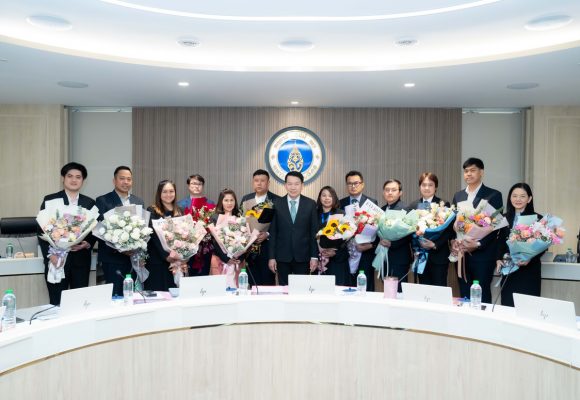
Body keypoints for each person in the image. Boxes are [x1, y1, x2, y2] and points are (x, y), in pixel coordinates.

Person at [38, 162, 96, 305]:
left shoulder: (89, 203)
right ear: (63, 178)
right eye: (70, 176)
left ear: (83, 181)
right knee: (56, 301)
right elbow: (41, 229)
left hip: (80, 260)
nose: (74, 180)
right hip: (56, 260)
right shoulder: (50, 200)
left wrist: (88, 243)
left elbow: (95, 229)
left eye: (78, 177)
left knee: (79, 302)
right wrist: (50, 255)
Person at [452, 157, 503, 303]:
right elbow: (456, 223)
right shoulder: (458, 195)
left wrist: (479, 244)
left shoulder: (493, 195)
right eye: (466, 171)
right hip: (462, 254)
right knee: (464, 291)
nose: (468, 174)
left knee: (482, 292)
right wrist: (456, 241)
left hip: (483, 255)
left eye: (473, 170)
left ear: (481, 172)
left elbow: (495, 227)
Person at [95, 166, 144, 296]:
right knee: (114, 295)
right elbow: (100, 229)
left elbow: (143, 228)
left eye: (129, 179)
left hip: (133, 258)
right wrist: (120, 248)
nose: (126, 182)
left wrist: (137, 251)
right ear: (114, 181)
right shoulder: (103, 200)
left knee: (132, 295)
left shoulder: (138, 201)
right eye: (122, 178)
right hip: (112, 258)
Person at [495, 183, 543, 307]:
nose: (518, 199)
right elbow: (498, 242)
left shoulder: (538, 219)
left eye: (522, 196)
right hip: (509, 270)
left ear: (529, 199)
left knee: (529, 308)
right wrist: (498, 258)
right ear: (510, 198)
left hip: (529, 271)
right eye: (514, 196)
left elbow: (544, 245)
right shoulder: (503, 219)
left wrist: (529, 257)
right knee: (508, 306)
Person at [268, 171, 319, 286]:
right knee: (284, 289)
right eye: (290, 184)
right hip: (282, 257)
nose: (293, 187)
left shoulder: (310, 204)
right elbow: (273, 233)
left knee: (302, 290)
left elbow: (313, 233)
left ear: (302, 185)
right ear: (285, 185)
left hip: (303, 256)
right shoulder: (276, 203)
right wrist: (271, 257)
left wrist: (314, 256)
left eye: (296, 184)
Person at [407, 172, 452, 287]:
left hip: (438, 255)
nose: (426, 188)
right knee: (423, 289)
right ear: (419, 186)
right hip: (420, 255)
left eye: (430, 185)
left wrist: (435, 244)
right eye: (423, 184)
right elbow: (410, 230)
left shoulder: (443, 204)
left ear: (435, 187)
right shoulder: (413, 206)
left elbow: (448, 230)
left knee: (439, 289)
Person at [338, 171, 378, 291]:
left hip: (365, 252)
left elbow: (377, 228)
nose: (353, 186)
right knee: (347, 288)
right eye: (349, 183)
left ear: (362, 184)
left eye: (356, 183)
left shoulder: (371, 203)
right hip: (346, 254)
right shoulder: (340, 203)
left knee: (366, 287)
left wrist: (370, 245)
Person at [240, 169, 280, 286]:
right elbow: (240, 220)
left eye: (262, 181)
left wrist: (267, 234)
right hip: (249, 248)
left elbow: (280, 224)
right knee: (251, 281)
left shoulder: (276, 200)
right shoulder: (246, 199)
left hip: (268, 248)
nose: (259, 183)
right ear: (253, 182)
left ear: (268, 183)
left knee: (268, 281)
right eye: (256, 180)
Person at [145, 180, 182, 292]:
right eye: (164, 191)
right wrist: (166, 256)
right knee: (157, 295)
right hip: (157, 260)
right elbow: (154, 237)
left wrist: (183, 255)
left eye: (171, 191)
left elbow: (184, 236)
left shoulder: (180, 211)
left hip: (176, 262)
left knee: (174, 294)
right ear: (159, 193)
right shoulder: (152, 210)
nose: (168, 194)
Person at [176, 174, 215, 277]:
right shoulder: (181, 204)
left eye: (199, 184)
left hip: (205, 246)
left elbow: (212, 225)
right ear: (188, 186)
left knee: (204, 275)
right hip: (187, 246)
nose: (196, 186)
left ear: (203, 186)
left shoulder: (210, 203)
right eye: (193, 183)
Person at [377, 179, 412, 291]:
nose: (390, 192)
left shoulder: (405, 209)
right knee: (386, 289)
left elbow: (408, 235)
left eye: (393, 190)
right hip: (383, 256)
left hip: (399, 257)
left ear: (400, 192)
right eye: (387, 190)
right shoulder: (380, 210)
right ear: (383, 192)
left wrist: (392, 243)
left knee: (399, 290)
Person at [209, 189, 245, 285]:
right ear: (221, 202)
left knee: (237, 288)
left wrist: (240, 257)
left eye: (231, 200)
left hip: (237, 261)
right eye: (226, 200)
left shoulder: (240, 218)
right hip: (219, 259)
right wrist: (225, 258)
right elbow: (214, 242)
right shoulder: (215, 218)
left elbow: (245, 240)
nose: (229, 203)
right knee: (219, 289)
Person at [316, 186, 350, 286]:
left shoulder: (341, 214)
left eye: (330, 196)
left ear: (334, 198)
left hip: (337, 260)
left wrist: (335, 252)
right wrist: (318, 252)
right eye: (324, 195)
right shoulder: (314, 214)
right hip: (319, 260)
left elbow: (346, 239)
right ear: (319, 198)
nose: (327, 198)